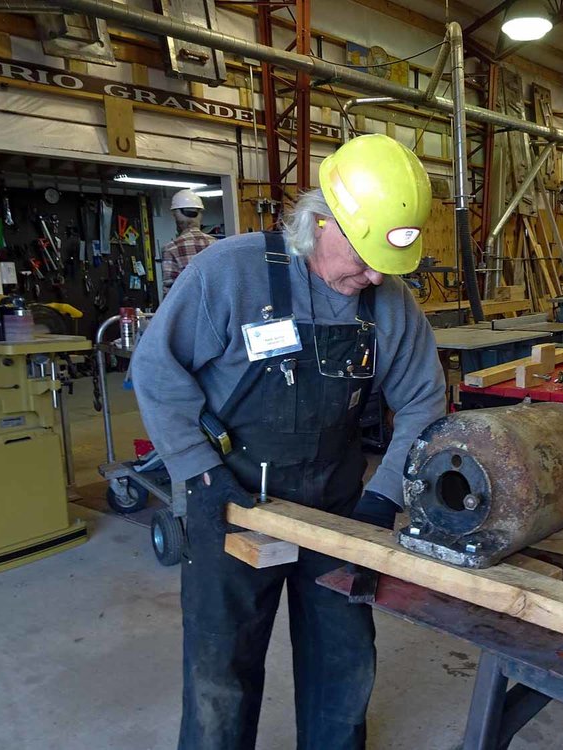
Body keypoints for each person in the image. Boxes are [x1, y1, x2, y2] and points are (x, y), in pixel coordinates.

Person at [130, 133, 446, 750]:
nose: (375, 273)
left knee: (344, 662)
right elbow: (156, 369)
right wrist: (198, 472)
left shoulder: (388, 301)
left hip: (338, 507)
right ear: (320, 220)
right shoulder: (229, 272)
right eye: (363, 254)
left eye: (387, 261)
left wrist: (381, 498)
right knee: (221, 669)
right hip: (230, 500)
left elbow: (423, 402)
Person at [161, 188, 216, 293]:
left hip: (189, 308)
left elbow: (170, 293)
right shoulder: (216, 244)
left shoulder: (171, 249)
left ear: (175, 215)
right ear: (200, 214)